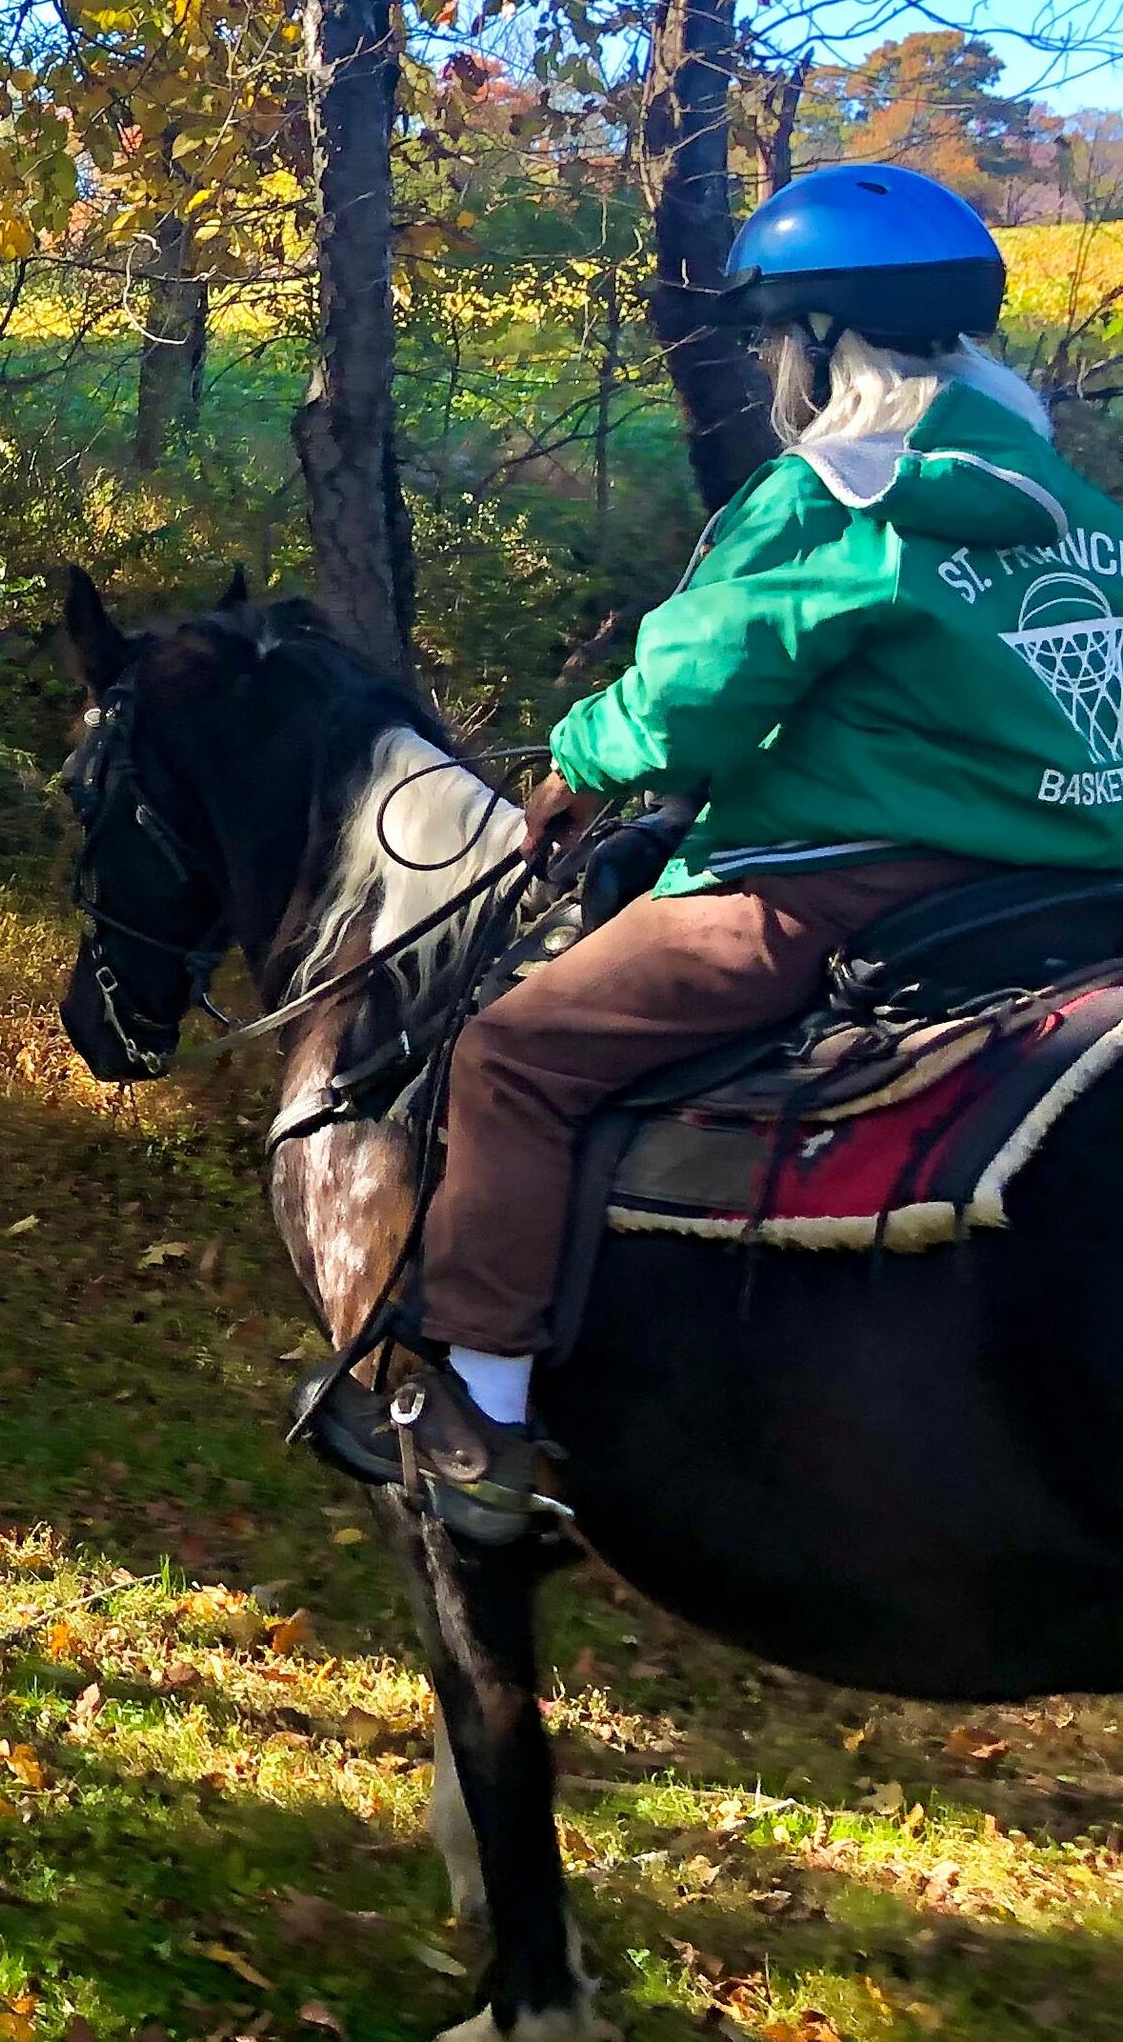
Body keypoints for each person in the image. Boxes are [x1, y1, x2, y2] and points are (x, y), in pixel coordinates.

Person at [403, 162, 1123, 1544]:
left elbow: (700, 685)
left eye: (781, 341)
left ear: (824, 345)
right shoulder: (1073, 513)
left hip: (833, 896)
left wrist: (587, 757)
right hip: (1074, 905)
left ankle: (480, 1412)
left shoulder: (844, 496)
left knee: (511, 1057)